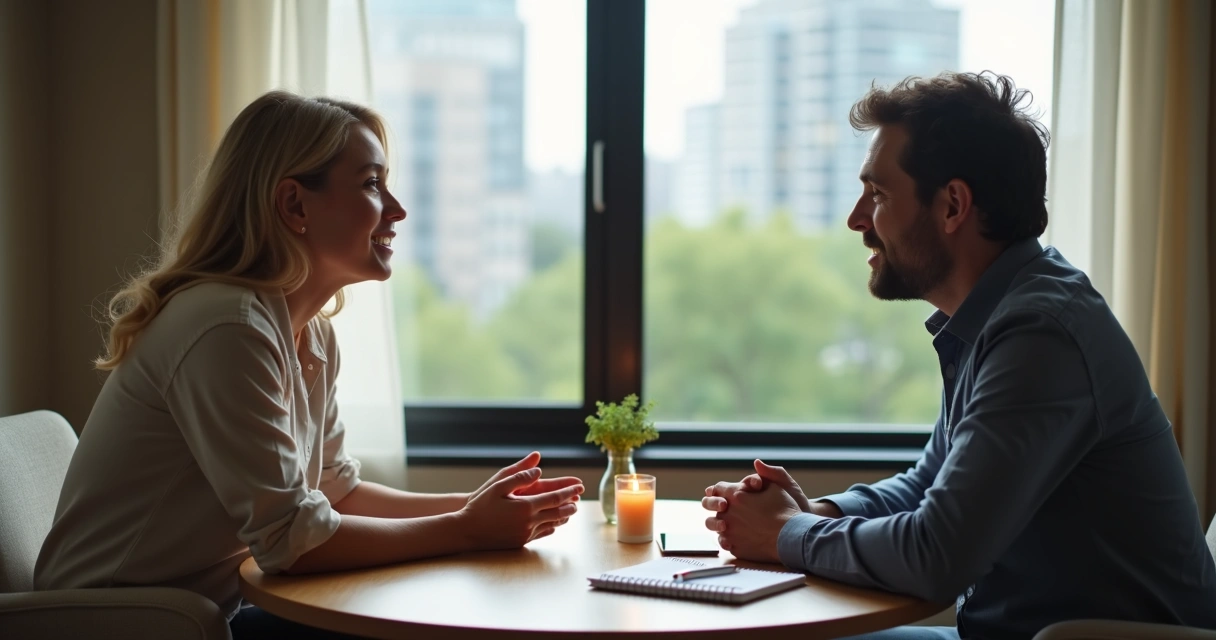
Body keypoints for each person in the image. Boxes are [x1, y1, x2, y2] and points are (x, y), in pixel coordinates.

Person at [33, 91, 585, 639]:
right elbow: (292, 542)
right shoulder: (226, 326)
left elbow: (335, 493)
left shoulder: (309, 333)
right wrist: (465, 530)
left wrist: (480, 508)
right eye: (371, 183)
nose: (397, 209)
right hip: (125, 625)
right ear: (295, 205)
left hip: (204, 612)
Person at [701, 72, 1216, 640]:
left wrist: (783, 533)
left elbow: (937, 554)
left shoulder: (1040, 334)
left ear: (952, 205)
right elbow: (930, 484)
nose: (856, 219)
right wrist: (818, 512)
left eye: (878, 195)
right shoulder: (999, 314)